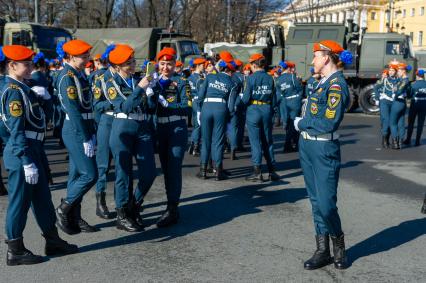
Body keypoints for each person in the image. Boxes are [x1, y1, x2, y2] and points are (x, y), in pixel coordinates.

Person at [1, 45, 78, 266]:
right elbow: (16, 131)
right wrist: (26, 161)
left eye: (31, 63)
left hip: (35, 149)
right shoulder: (13, 91)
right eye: (26, 64)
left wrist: (43, 99)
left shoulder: (25, 88)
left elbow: (40, 117)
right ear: (12, 65)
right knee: (19, 203)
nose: (31, 67)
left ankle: (52, 240)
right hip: (22, 152)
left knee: (43, 199)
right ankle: (15, 249)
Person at [294, 40, 351, 270]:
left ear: (326, 57)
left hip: (324, 148)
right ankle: (322, 250)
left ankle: (338, 244)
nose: (313, 60)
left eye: (316, 56)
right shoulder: (321, 83)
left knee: (327, 204)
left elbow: (329, 121)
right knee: (316, 202)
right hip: (307, 146)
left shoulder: (336, 85)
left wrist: (302, 123)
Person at [105, 44, 156, 232]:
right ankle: (122, 214)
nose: (133, 65)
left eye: (133, 61)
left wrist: (150, 92)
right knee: (123, 173)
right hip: (122, 127)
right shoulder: (112, 83)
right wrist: (140, 89)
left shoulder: (137, 80)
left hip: (142, 127)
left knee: (149, 172)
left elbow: (150, 108)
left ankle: (134, 205)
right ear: (118, 67)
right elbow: (125, 107)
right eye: (128, 63)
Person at [55, 39, 99, 235]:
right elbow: (73, 110)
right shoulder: (67, 77)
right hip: (75, 129)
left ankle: (75, 216)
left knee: (76, 175)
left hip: (84, 127)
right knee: (90, 174)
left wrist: (91, 132)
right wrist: (84, 137)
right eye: (83, 56)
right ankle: (64, 208)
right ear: (71, 57)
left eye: (87, 55)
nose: (87, 59)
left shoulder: (78, 74)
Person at [153, 47, 191, 227]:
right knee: (165, 167)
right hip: (160, 127)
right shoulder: (152, 82)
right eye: (162, 63)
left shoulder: (181, 82)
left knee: (174, 168)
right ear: (157, 64)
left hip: (176, 126)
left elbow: (187, 107)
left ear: (175, 65)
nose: (165, 68)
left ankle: (172, 208)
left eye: (169, 64)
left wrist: (167, 104)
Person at [196, 51, 238, 180]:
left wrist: (199, 110)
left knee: (206, 140)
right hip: (221, 108)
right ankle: (218, 171)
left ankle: (203, 170)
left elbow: (201, 96)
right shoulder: (232, 84)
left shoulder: (209, 77)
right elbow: (231, 107)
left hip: (207, 108)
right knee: (218, 141)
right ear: (230, 71)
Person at [241, 53, 279, 182]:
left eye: (251, 64)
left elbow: (245, 99)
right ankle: (272, 171)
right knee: (268, 141)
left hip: (254, 110)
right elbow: (275, 98)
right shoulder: (271, 78)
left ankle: (257, 172)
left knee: (255, 142)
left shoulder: (250, 79)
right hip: (267, 109)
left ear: (254, 64)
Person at [91, 46, 116, 219]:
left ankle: (124, 202)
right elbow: (96, 104)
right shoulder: (100, 78)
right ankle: (101, 202)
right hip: (107, 123)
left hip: (123, 123)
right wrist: (114, 104)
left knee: (123, 164)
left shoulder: (130, 77)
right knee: (103, 165)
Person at [276, 60, 303, 152]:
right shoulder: (292, 77)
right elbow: (299, 88)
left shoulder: (278, 80)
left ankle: (292, 143)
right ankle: (289, 144)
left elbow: (279, 94)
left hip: (285, 101)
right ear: (287, 68)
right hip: (294, 101)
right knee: (294, 123)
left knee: (289, 123)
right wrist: (299, 98)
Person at [375, 64, 398, 148]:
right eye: (390, 70)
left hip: (394, 102)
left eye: (393, 70)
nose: (391, 72)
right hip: (384, 101)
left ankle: (391, 139)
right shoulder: (385, 80)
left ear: (396, 72)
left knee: (393, 122)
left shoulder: (397, 80)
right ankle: (384, 140)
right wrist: (378, 98)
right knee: (386, 120)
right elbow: (376, 88)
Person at [187, 58, 206, 157]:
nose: (204, 66)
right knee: (199, 125)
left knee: (196, 125)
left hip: (194, 102)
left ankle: (193, 145)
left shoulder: (190, 77)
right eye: (203, 65)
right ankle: (195, 147)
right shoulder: (199, 78)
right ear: (198, 65)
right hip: (199, 102)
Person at [390, 62, 410, 149]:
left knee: (393, 123)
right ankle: (400, 142)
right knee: (400, 122)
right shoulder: (403, 80)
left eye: (399, 71)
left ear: (403, 71)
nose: (397, 72)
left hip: (398, 102)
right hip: (402, 103)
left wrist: (395, 91)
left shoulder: (404, 80)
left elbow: (399, 91)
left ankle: (395, 143)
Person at [403, 70, 426, 146]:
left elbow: (409, 96)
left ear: (417, 76)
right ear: (423, 76)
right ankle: (417, 141)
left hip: (414, 105)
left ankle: (408, 139)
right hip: (424, 105)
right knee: (420, 124)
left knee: (411, 123)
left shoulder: (413, 85)